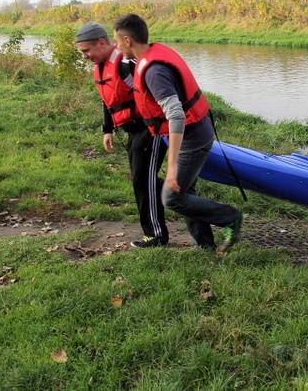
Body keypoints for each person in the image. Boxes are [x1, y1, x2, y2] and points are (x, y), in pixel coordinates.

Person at [112, 13, 243, 252]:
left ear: (128, 40)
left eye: (117, 41)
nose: (116, 47)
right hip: (195, 134)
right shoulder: (150, 56)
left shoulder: (154, 71)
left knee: (172, 197)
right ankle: (205, 247)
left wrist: (171, 166)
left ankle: (229, 217)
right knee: (184, 190)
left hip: (192, 141)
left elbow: (176, 115)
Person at [75, 23, 168, 248]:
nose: (85, 56)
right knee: (143, 180)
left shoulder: (127, 64)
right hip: (133, 130)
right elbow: (108, 99)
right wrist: (107, 130)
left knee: (143, 181)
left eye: (87, 51)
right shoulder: (102, 65)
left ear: (102, 42)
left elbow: (157, 86)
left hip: (151, 129)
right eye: (81, 53)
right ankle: (180, 192)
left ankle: (157, 235)